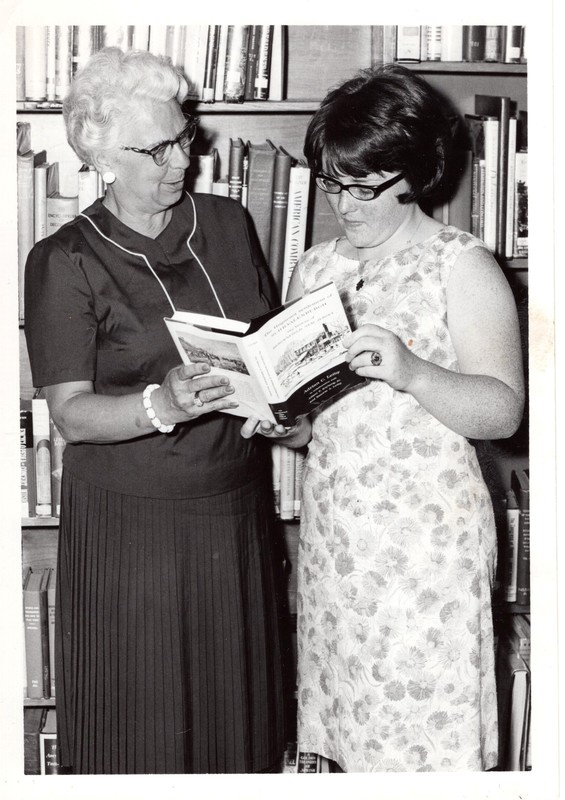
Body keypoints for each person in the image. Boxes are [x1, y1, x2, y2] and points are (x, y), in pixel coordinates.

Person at [241, 64, 525, 771]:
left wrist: (412, 372)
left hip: (426, 553)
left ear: (413, 173)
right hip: (338, 544)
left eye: (364, 186)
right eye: (333, 183)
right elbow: (321, 423)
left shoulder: (460, 266)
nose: (345, 204)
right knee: (350, 739)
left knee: (425, 744)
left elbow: (501, 412)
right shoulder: (312, 270)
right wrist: (288, 428)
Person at [24, 47, 286, 775]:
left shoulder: (230, 224)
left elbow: (264, 354)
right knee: (139, 737)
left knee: (239, 734)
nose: (182, 162)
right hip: (131, 530)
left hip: (233, 514)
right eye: (158, 148)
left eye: (185, 138)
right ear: (101, 155)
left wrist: (281, 403)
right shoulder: (63, 259)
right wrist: (160, 403)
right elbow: (72, 416)